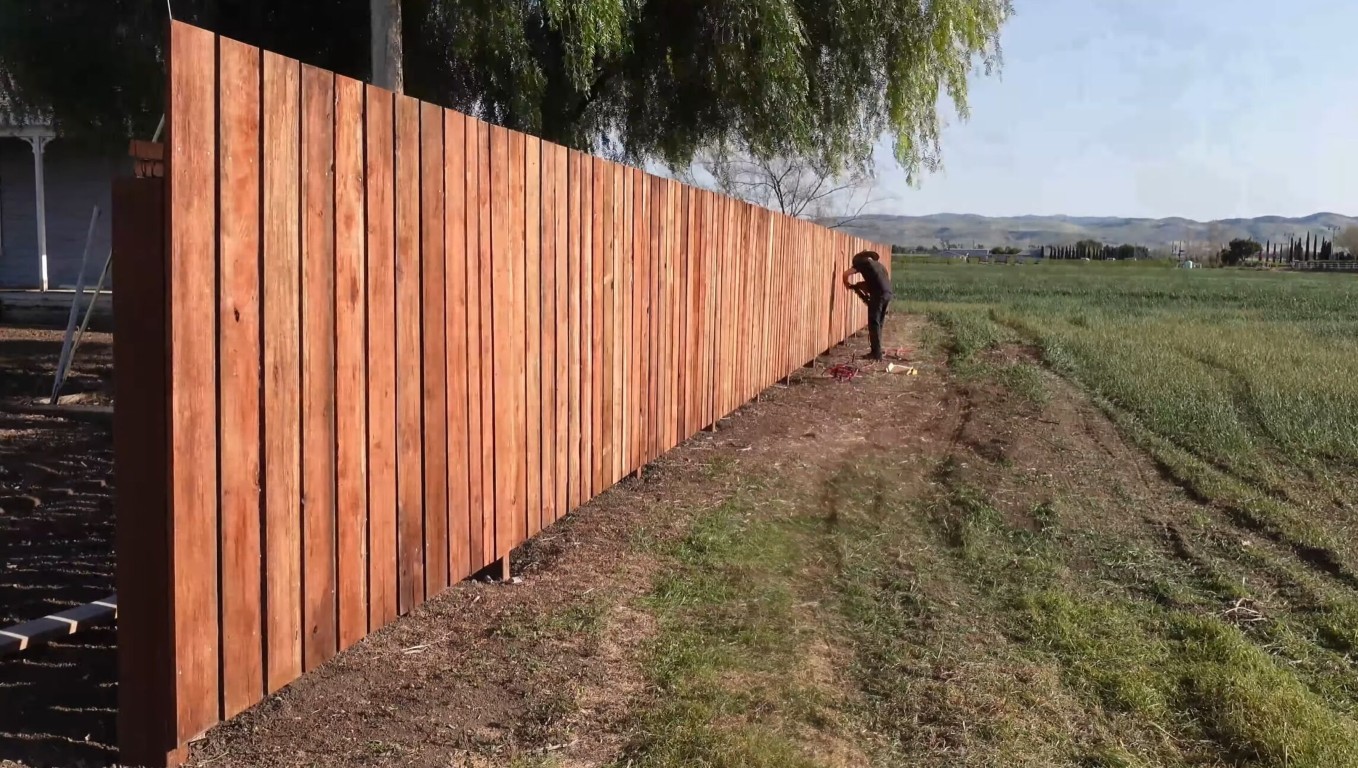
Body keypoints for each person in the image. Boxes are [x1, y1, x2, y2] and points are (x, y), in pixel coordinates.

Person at [841, 249, 892, 360]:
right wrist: (859, 286)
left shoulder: (863, 263)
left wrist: (846, 284)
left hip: (878, 294)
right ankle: (877, 350)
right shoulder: (879, 266)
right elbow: (878, 281)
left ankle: (876, 354)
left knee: (874, 323)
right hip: (887, 293)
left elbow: (846, 274)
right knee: (879, 323)